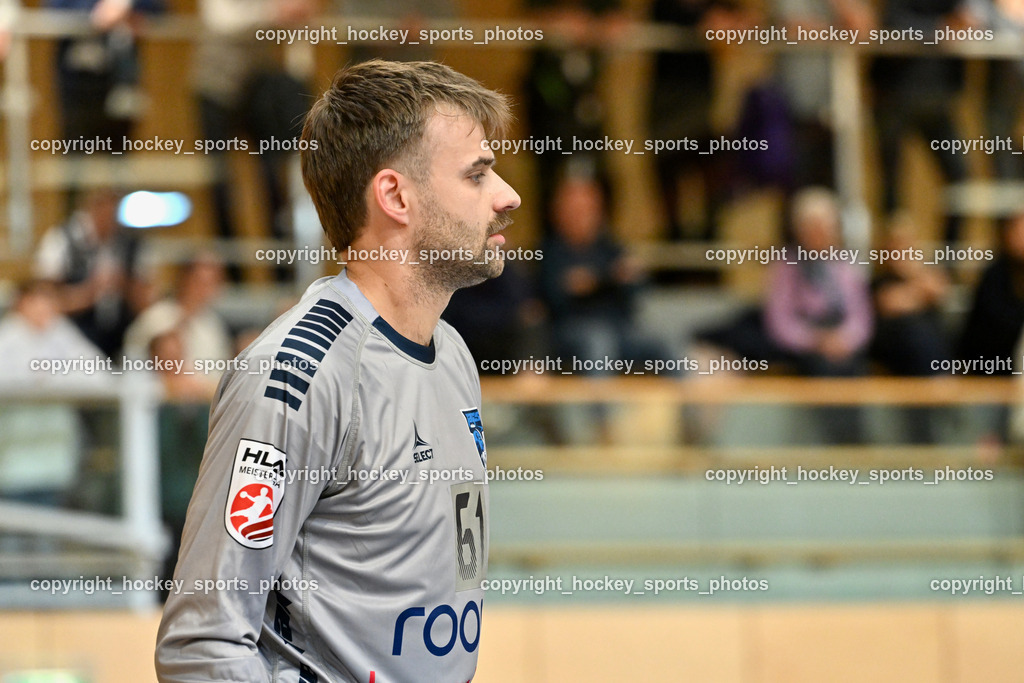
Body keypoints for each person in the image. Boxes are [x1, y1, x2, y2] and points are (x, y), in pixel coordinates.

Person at [155, 59, 521, 681]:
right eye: (478, 174)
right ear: (395, 197)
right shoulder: (295, 375)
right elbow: (203, 646)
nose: (507, 194)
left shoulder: (453, 353)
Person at [764, 187, 873, 443]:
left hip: (841, 343)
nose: (819, 233)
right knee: (823, 370)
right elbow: (779, 322)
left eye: (825, 226)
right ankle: (834, 445)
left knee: (852, 369)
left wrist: (844, 340)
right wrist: (814, 340)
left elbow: (861, 318)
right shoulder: (787, 266)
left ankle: (855, 442)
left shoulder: (846, 265)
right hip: (807, 345)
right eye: (812, 226)